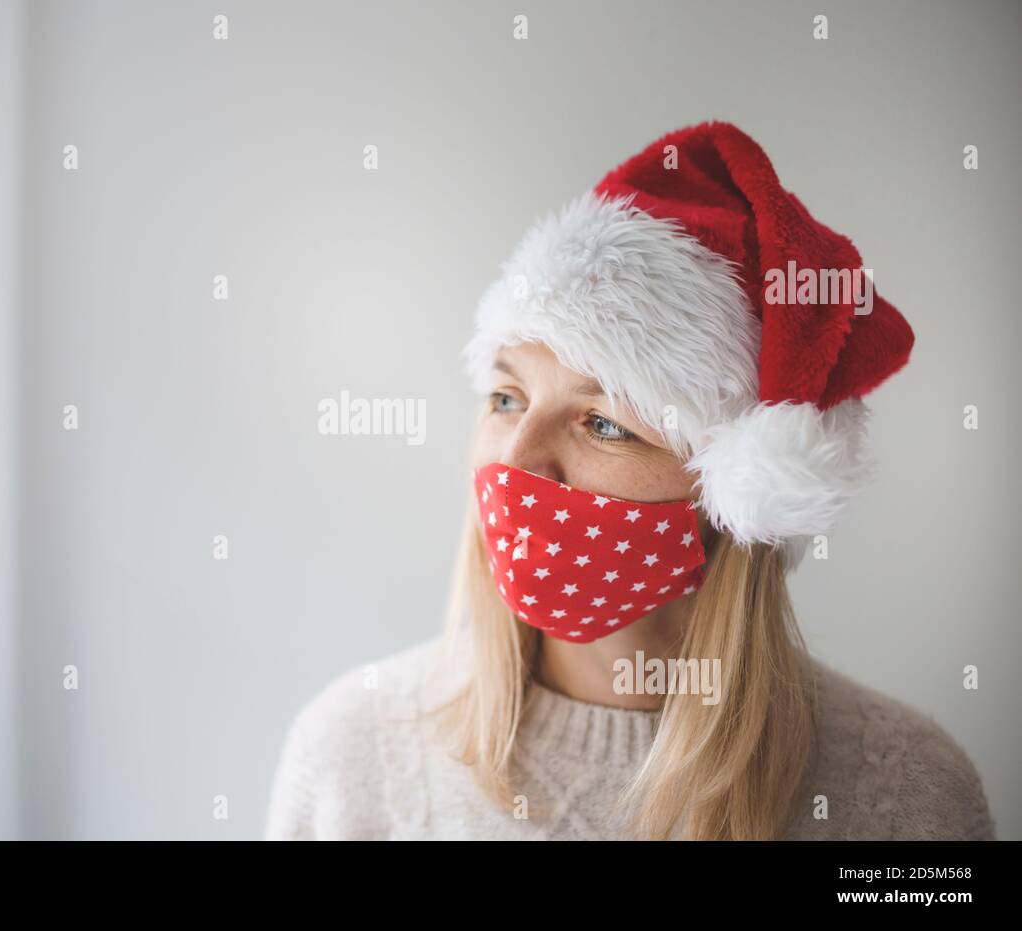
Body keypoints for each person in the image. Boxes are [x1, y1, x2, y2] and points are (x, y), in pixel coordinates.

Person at [264, 121, 996, 841]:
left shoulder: (906, 793)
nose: (515, 463)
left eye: (604, 422)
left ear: (732, 498)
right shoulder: (351, 757)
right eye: (506, 398)